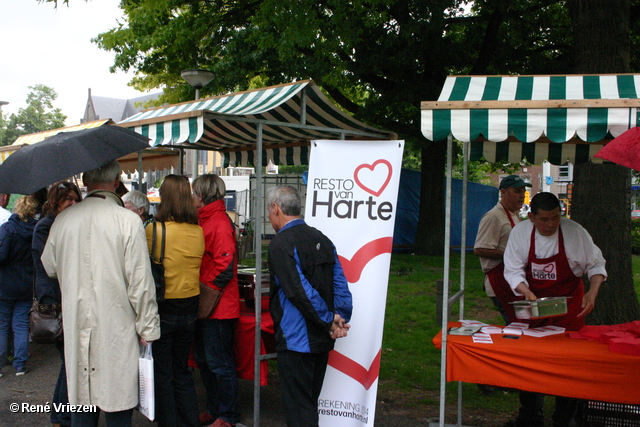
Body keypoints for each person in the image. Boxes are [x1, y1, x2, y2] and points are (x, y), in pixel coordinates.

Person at [41, 160, 160, 427]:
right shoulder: (128, 221)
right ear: (117, 181)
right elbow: (141, 284)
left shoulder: (63, 220)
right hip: (117, 326)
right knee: (117, 405)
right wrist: (148, 329)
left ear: (85, 181)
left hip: (78, 323)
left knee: (83, 402)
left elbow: (49, 266)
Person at [502, 192, 607, 427]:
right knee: (530, 360)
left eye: (555, 218)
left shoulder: (574, 232)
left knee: (570, 361)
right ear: (531, 217)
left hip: (569, 306)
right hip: (534, 304)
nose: (550, 225)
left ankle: (565, 417)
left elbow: (596, 263)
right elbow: (512, 270)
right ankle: (530, 415)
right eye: (543, 220)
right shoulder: (520, 233)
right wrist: (527, 294)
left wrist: (593, 291)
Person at [266, 185, 353, 427]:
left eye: (268, 210)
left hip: (297, 339)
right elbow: (340, 283)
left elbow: (298, 291)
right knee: (309, 403)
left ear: (276, 208)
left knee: (299, 408)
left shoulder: (280, 244)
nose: (269, 216)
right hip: (322, 335)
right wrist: (339, 318)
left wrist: (331, 320)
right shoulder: (322, 239)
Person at [145, 175, 204, 427]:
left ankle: (168, 422)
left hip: (164, 305)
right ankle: (190, 420)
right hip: (191, 305)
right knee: (182, 370)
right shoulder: (197, 231)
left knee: (163, 371)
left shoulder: (153, 230)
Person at [192, 174, 241, 427]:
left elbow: (225, 265)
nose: (191, 197)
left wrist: (205, 292)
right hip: (212, 304)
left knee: (219, 364)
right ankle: (216, 410)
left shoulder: (218, 222)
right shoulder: (209, 219)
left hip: (218, 306)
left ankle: (227, 415)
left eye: (193, 193)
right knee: (206, 362)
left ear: (201, 195)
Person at [32, 180, 82, 427]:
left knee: (70, 361)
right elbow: (50, 267)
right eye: (68, 199)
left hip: (69, 299)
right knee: (69, 362)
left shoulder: (70, 224)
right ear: (56, 202)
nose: (72, 204)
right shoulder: (45, 227)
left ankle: (62, 415)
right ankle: (61, 415)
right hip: (56, 302)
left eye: (75, 199)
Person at [474, 174, 532, 324]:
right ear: (503, 192)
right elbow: (480, 249)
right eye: (517, 191)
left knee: (522, 323)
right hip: (499, 280)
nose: (521, 196)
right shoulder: (493, 217)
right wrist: (511, 256)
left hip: (513, 279)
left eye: (523, 192)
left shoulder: (514, 215)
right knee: (516, 324)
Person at [0, 195, 38, 377]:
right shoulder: (35, 230)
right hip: (26, 283)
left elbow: (2, 256)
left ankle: (0, 365)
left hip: (5, 283)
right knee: (21, 324)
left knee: (2, 324)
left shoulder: (8, 229)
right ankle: (20, 365)